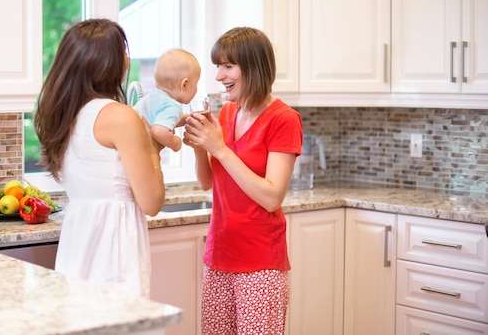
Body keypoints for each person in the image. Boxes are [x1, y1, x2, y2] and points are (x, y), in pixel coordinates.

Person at [33, 18, 165, 298]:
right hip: (114, 250)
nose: (128, 60)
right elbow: (152, 202)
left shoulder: (66, 114)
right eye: (124, 53)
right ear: (107, 63)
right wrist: (152, 147)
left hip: (78, 242)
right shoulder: (120, 116)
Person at [183, 26, 303, 334]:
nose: (219, 76)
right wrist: (200, 147)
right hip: (219, 256)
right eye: (218, 66)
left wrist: (219, 149)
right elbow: (208, 183)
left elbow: (272, 196)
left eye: (227, 66)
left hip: (261, 263)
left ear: (253, 66)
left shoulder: (283, 119)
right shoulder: (227, 113)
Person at [133, 48, 202, 152]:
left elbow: (161, 119)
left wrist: (188, 118)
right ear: (184, 85)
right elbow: (158, 131)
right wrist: (175, 143)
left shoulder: (153, 97)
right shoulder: (172, 107)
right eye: (196, 83)